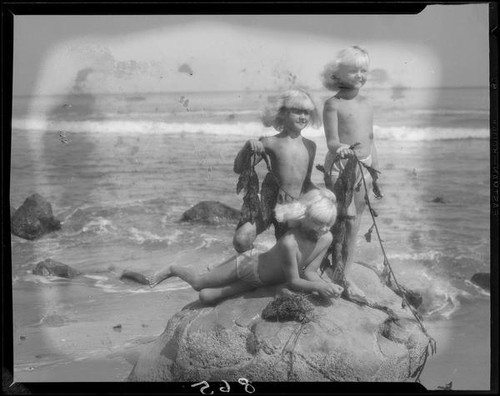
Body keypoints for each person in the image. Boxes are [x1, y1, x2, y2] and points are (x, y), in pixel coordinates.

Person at [148, 188, 344, 304]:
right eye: (319, 223)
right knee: (199, 284)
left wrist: (326, 286)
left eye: (328, 223)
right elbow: (294, 281)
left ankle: (217, 270)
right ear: (303, 217)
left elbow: (310, 271)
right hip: (248, 266)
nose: (324, 228)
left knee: (206, 298)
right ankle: (172, 269)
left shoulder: (326, 238)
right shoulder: (289, 242)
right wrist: (319, 286)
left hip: (261, 281)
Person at [320, 46, 383, 301]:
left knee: (354, 224)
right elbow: (332, 142)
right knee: (343, 220)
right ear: (337, 74)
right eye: (353, 70)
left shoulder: (367, 103)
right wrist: (341, 149)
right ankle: (339, 275)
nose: (360, 75)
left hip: (364, 167)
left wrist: (375, 172)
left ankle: (342, 272)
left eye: (364, 70)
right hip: (340, 167)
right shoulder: (332, 104)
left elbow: (370, 138)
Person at [232, 88, 321, 253]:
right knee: (241, 240)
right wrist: (247, 147)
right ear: (282, 114)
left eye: (306, 112)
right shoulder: (270, 142)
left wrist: (322, 195)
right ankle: (256, 269)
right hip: (268, 202)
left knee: (289, 249)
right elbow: (238, 168)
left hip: (293, 207)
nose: (303, 117)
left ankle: (279, 269)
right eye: (296, 111)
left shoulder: (310, 146)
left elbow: (306, 182)